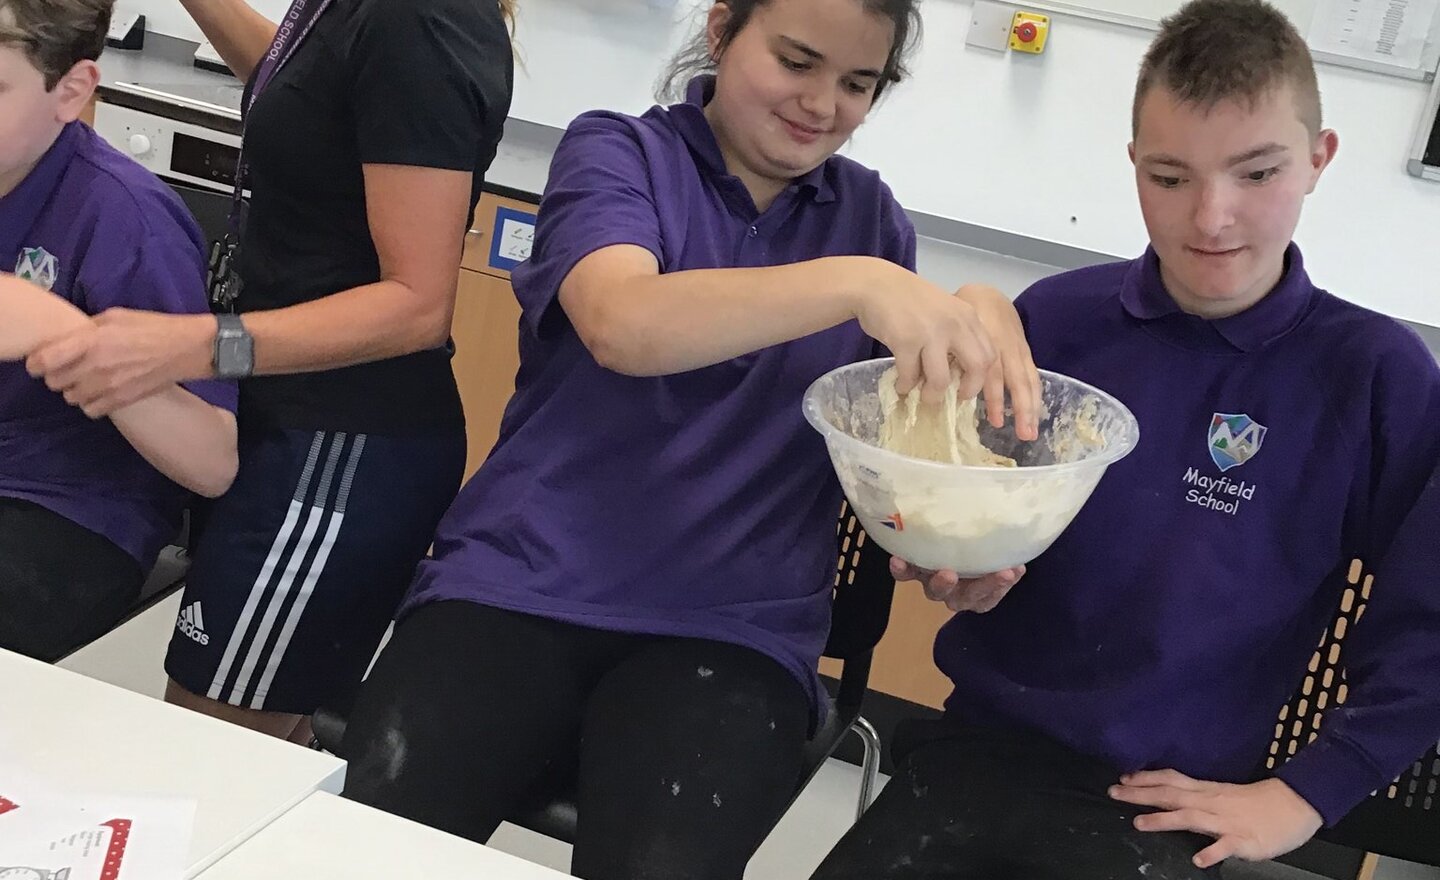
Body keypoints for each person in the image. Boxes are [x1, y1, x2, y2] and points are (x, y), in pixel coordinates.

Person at [337, 0, 1039, 876]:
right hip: (519, 585)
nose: (823, 104)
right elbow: (624, 324)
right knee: (370, 847)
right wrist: (858, 284)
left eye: (858, 83)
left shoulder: (870, 221)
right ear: (720, 31)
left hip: (730, 635)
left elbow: (897, 451)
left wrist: (959, 542)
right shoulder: (619, 153)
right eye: (796, 60)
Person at [811, 1, 1440, 877]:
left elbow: (1430, 615)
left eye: (1257, 175)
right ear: (1134, 163)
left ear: (1318, 160)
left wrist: (1311, 792)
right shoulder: (1061, 325)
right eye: (1171, 178)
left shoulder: (1375, 375)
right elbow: (986, 536)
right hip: (984, 750)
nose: (1212, 220)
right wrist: (966, 572)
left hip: (1175, 800)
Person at [25, 0, 516, 740]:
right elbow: (307, 87)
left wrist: (195, 344)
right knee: (253, 744)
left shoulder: (421, 18)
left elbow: (417, 306)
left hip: (341, 449)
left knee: (208, 755)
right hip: (285, 418)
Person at [0, 0, 237, 662]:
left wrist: (67, 336)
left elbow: (212, 461)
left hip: (69, 511)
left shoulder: (126, 220)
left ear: (71, 92)